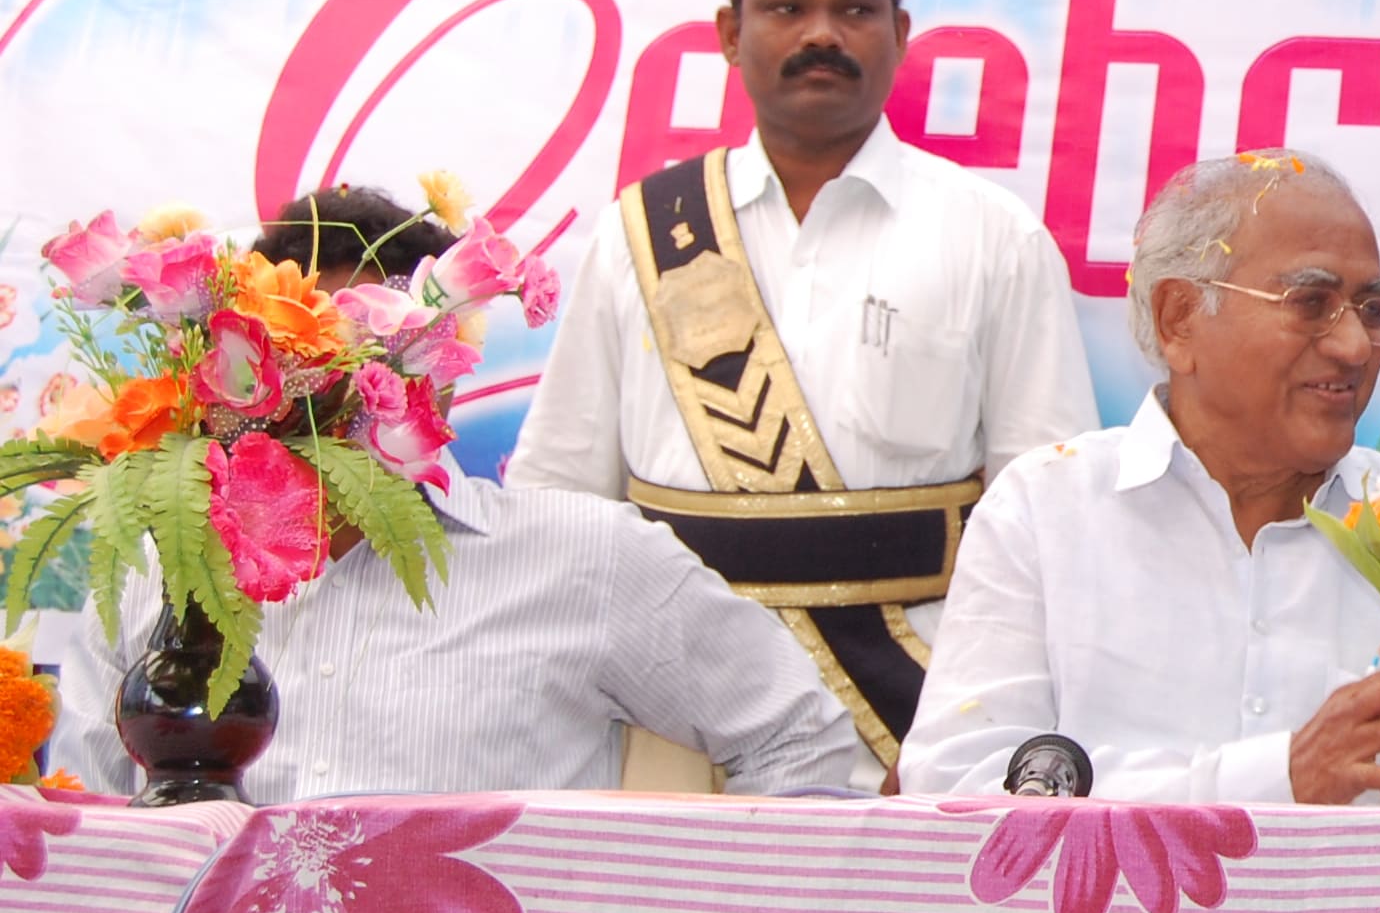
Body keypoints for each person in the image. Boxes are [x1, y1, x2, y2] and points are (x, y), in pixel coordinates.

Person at [510, 0, 1097, 777]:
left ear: (900, 33)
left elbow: (1048, 514)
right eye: (786, 8)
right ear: (729, 33)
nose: (821, 34)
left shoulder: (992, 236)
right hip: (668, 720)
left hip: (909, 721)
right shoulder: (641, 233)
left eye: (854, 9)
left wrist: (972, 730)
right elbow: (559, 499)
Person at [54, 189, 869, 802]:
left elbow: (807, 747)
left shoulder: (587, 559)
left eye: (373, 354)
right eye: (298, 357)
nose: (333, 392)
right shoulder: (156, 571)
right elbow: (89, 842)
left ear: (443, 375)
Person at [901, 151, 1380, 808]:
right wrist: (1283, 777)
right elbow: (957, 788)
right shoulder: (1046, 507)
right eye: (1310, 303)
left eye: (1372, 311)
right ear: (1179, 319)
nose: (1354, 346)